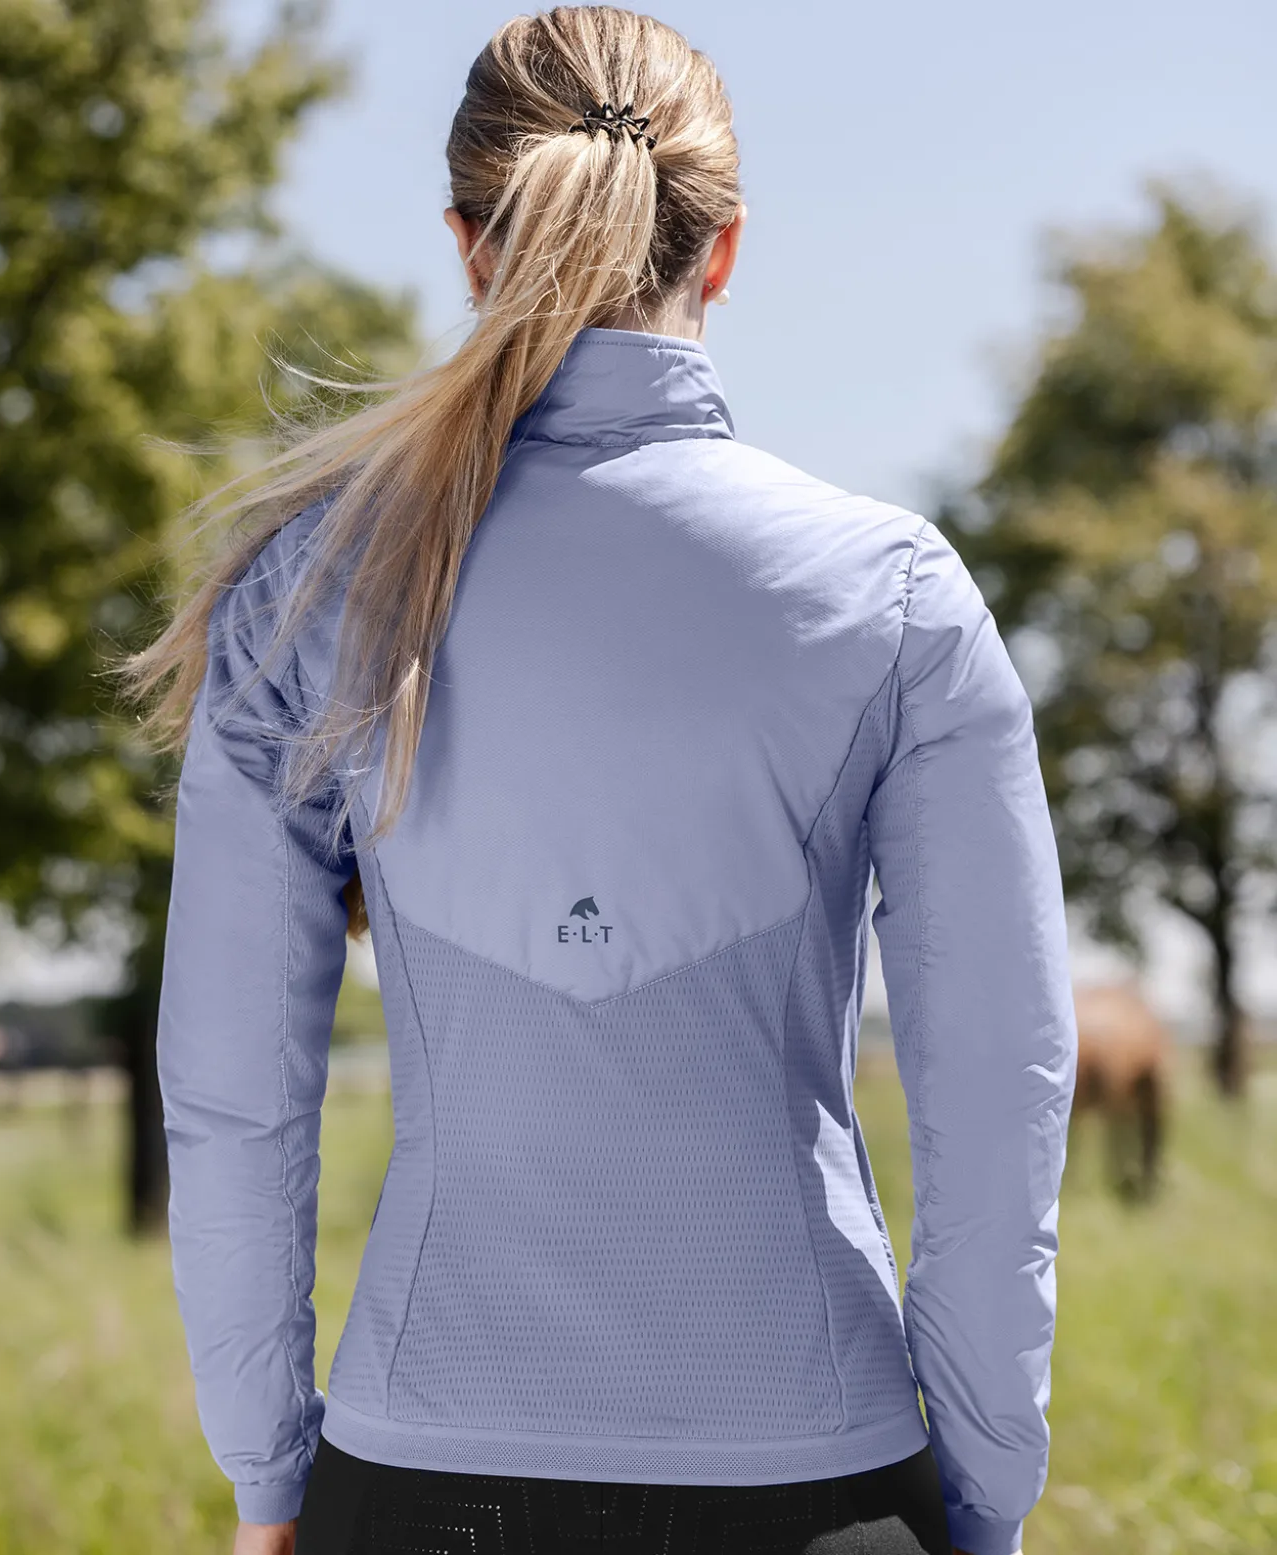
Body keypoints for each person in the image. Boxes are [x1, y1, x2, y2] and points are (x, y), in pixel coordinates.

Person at [123, 8, 1077, 1554]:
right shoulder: (897, 597)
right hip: (817, 1475)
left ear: (466, 244)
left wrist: (266, 1475)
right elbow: (999, 1089)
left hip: (410, 1478)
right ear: (726, 250)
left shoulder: (306, 591)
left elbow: (231, 1094)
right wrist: (985, 1498)